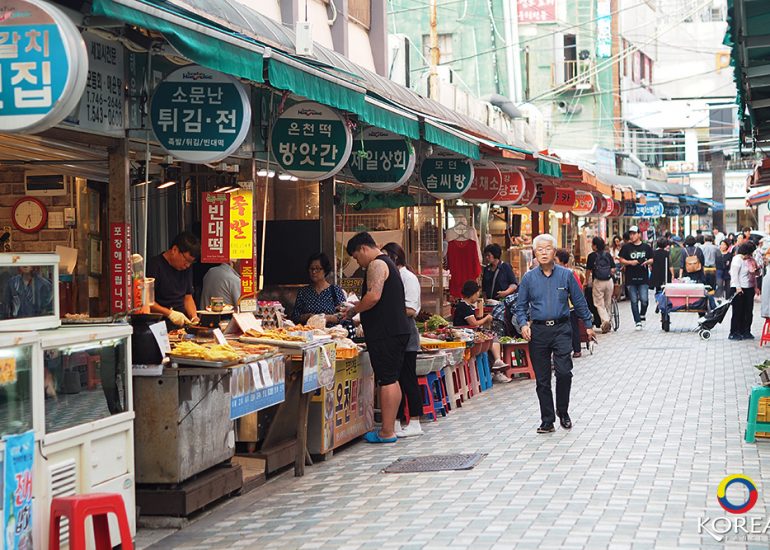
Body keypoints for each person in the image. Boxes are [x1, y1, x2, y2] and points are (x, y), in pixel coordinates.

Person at [515, 234, 594, 434]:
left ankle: (563, 411)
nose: (543, 253)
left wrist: (588, 324)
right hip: (538, 332)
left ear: (554, 251)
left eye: (547, 249)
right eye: (540, 249)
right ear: (535, 252)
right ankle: (547, 420)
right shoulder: (528, 278)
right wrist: (523, 324)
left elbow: (579, 301)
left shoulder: (566, 275)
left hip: (561, 329)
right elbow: (520, 306)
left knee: (564, 372)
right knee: (542, 379)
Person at [343, 233, 413, 443]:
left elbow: (373, 296)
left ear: (363, 248)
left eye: (356, 257)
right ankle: (390, 427)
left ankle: (387, 431)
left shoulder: (377, 264)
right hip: (395, 330)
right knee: (392, 378)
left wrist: (354, 310)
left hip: (386, 332)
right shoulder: (388, 263)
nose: (358, 262)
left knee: (387, 379)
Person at [382, 242, 423, 438]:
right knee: (395, 378)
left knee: (407, 378)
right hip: (393, 334)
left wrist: (385, 310)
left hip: (406, 334)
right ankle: (396, 421)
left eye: (385, 256)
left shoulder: (408, 278)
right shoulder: (392, 276)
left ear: (394, 257)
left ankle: (414, 421)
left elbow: (411, 309)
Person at [453, 281, 510, 382]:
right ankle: (497, 367)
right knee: (491, 338)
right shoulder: (464, 307)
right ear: (472, 294)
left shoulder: (467, 306)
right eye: (477, 293)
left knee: (492, 338)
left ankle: (497, 366)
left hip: (469, 333)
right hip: (466, 336)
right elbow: (474, 323)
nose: (478, 296)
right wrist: (487, 318)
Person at [147, 231, 200, 326]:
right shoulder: (154, 266)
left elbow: (188, 297)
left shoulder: (186, 268)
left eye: (191, 262)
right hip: (159, 323)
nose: (187, 265)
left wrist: (194, 317)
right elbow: (147, 302)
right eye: (186, 260)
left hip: (182, 322)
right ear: (174, 250)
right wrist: (170, 313)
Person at [292, 253, 346, 325]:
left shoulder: (335, 290)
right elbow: (295, 316)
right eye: (311, 269)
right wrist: (308, 316)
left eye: (317, 269)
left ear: (325, 270)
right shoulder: (303, 292)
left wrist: (327, 318)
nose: (314, 272)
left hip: (331, 330)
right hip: (309, 330)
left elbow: (344, 314)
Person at [619, 226, 654, 331]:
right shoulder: (626, 247)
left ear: (639, 234)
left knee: (644, 300)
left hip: (643, 278)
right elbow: (621, 259)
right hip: (630, 278)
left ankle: (642, 314)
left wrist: (647, 262)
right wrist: (630, 262)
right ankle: (637, 321)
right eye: (630, 234)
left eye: (634, 234)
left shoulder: (646, 247)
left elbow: (652, 259)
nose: (632, 236)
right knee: (634, 301)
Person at [555, 249, 585, 357]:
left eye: (555, 260)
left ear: (562, 262)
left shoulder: (570, 273)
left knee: (573, 327)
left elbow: (578, 289)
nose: (554, 262)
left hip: (570, 305)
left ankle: (577, 349)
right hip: (559, 306)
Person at [585, 236, 615, 333]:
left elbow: (588, 271)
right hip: (609, 281)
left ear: (595, 246)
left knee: (599, 304)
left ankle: (605, 321)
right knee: (607, 302)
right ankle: (608, 321)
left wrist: (586, 281)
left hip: (598, 282)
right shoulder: (608, 255)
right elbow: (613, 269)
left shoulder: (592, 256)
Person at [730, 242, 758, 340]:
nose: (750, 255)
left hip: (749, 287)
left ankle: (746, 331)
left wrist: (755, 286)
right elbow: (734, 275)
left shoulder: (750, 260)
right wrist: (738, 288)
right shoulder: (737, 259)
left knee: (748, 311)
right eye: (750, 253)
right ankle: (734, 332)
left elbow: (754, 274)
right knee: (738, 311)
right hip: (739, 288)